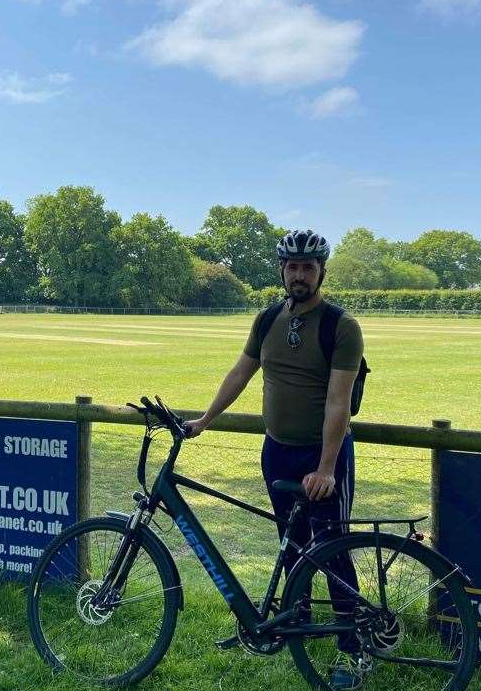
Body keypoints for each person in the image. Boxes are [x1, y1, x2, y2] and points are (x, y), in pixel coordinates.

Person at [184, 229, 368, 690]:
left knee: (331, 550)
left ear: (321, 271)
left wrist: (326, 467)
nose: (300, 274)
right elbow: (240, 373)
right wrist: (204, 420)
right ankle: (293, 621)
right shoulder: (266, 319)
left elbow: (338, 402)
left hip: (321, 455)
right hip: (276, 451)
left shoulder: (340, 326)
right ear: (282, 271)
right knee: (290, 540)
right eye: (292, 267)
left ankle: (354, 646)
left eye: (308, 267)